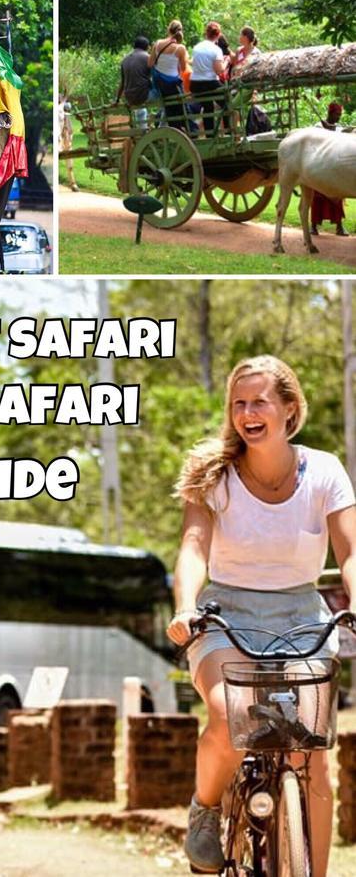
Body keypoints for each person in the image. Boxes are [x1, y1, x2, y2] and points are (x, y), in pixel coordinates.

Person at [167, 356, 356, 877]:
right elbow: (193, 546)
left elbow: (350, 553)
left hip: (302, 617)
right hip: (227, 616)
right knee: (231, 719)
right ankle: (206, 809)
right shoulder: (214, 474)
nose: (247, 413)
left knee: (312, 757)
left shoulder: (323, 471)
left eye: (259, 402)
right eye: (238, 403)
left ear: (289, 409)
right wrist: (186, 604)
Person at [311, 103, 349, 237]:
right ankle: (313, 226)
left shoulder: (338, 129)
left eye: (339, 115)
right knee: (317, 196)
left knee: (337, 196)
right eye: (336, 115)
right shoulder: (317, 126)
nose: (338, 117)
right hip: (320, 166)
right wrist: (325, 131)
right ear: (330, 113)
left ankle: (339, 227)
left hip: (334, 167)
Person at [189, 22, 228, 137]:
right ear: (218, 35)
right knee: (227, 103)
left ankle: (210, 135)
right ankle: (228, 131)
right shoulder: (216, 50)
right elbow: (219, 70)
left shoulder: (197, 47)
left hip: (195, 83)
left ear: (206, 33)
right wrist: (226, 62)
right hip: (209, 83)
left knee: (208, 107)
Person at [149, 20, 188, 132]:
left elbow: (150, 64)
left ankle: (166, 128)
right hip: (173, 85)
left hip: (160, 84)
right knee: (182, 108)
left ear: (168, 30)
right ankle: (182, 130)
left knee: (168, 108)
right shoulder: (180, 48)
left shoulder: (157, 44)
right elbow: (184, 69)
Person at [115, 36, 151, 119]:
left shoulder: (125, 60)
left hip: (130, 97)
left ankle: (143, 128)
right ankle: (162, 125)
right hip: (143, 95)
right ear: (147, 47)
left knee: (141, 108)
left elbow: (122, 83)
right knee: (165, 101)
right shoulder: (147, 57)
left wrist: (117, 100)